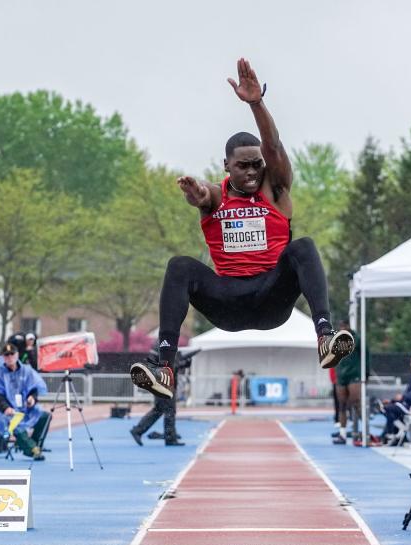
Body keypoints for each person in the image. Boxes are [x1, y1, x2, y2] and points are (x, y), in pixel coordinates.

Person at [129, 58, 354, 400]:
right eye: (242, 166)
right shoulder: (217, 195)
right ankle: (165, 368)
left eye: (256, 164)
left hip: (271, 297)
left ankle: (324, 336)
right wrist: (195, 194)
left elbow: (274, 146)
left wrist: (256, 103)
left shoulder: (275, 190)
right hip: (228, 301)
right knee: (179, 266)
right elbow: (204, 193)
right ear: (226, 166)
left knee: (304, 247)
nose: (251, 172)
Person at [0, 342, 48, 461]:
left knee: (45, 416)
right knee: (14, 422)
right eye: (6, 355)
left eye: (12, 354)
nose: (10, 357)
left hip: (25, 408)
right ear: (2, 357)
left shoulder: (27, 371)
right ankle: (31, 449)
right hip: (4, 412)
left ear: (17, 355)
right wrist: (6, 408)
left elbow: (34, 388)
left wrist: (32, 398)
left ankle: (35, 445)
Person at [130, 349, 196, 447]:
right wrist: (181, 362)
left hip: (164, 385)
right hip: (164, 385)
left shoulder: (168, 348)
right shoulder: (164, 349)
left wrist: (186, 362)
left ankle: (138, 430)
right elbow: (168, 367)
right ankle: (170, 438)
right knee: (169, 411)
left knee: (159, 410)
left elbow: (174, 366)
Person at [379, 353, 411, 444]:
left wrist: (403, 397)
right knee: (385, 406)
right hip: (408, 405)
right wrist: (393, 400)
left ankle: (393, 433)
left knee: (386, 408)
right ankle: (397, 435)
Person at [333, 320, 366, 445]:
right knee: (341, 405)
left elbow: (366, 355)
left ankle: (365, 432)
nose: (342, 329)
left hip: (354, 375)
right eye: (340, 327)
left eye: (344, 327)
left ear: (348, 327)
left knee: (356, 403)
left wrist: (366, 373)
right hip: (342, 376)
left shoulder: (357, 339)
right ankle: (342, 434)